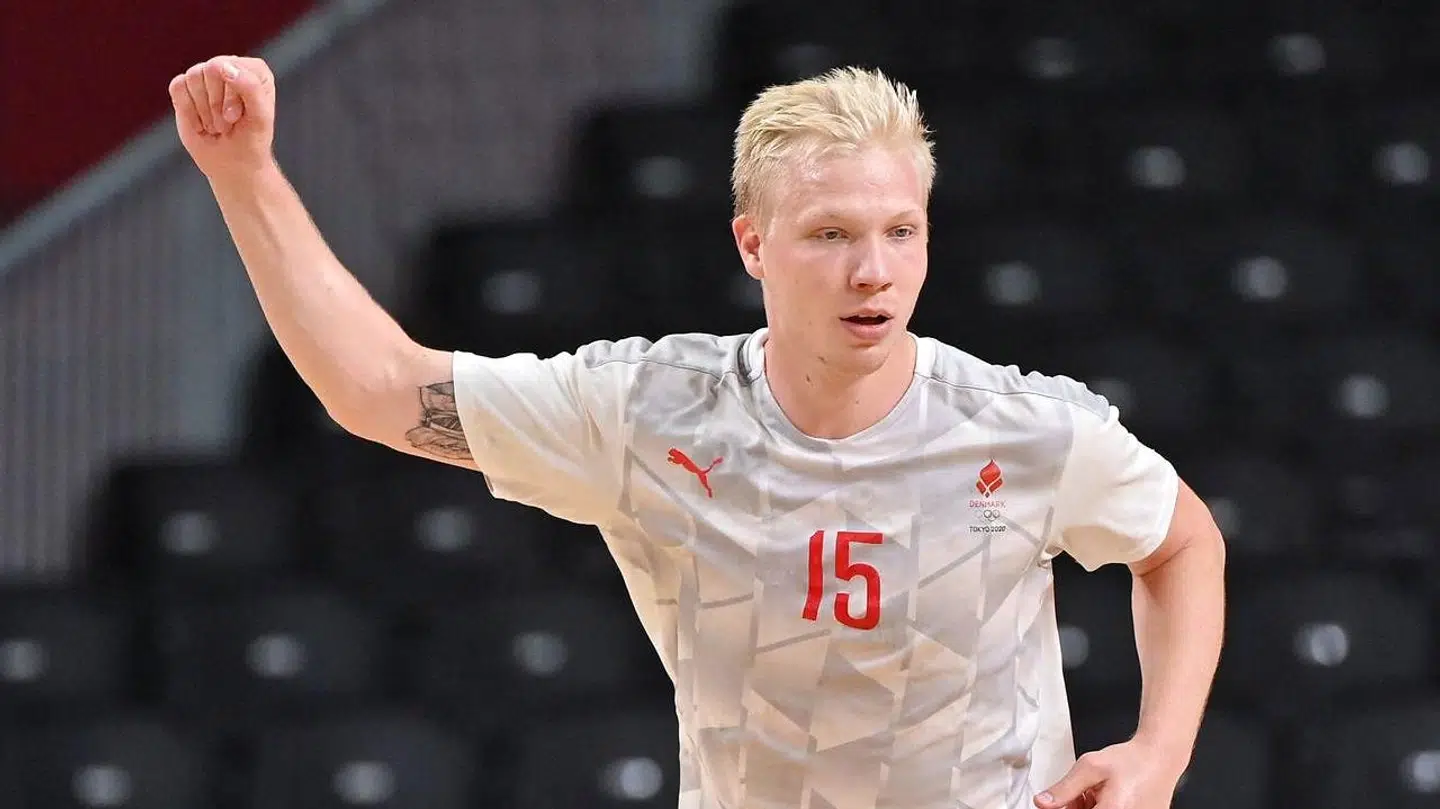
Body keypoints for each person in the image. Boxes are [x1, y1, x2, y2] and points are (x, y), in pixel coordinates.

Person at [170, 54, 1226, 809]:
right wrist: (242, 172)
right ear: (752, 244)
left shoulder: (1023, 428)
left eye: (901, 231)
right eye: (830, 234)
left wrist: (1161, 752)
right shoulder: (648, 412)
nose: (874, 270)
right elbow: (379, 389)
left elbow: (1183, 542)